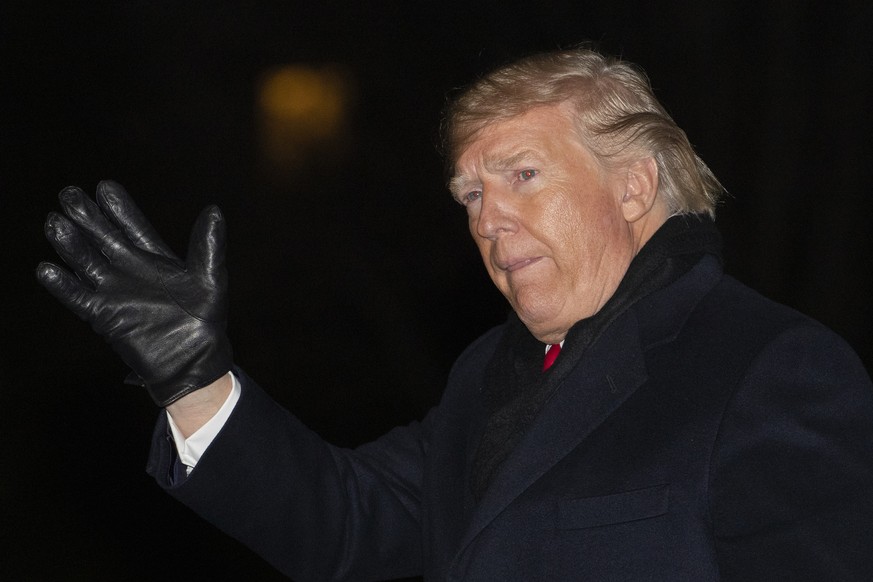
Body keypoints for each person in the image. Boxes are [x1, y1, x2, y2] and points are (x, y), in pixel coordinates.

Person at [37, 48, 873, 581]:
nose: (486, 218)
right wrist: (194, 380)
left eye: (521, 176)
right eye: (470, 193)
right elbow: (343, 522)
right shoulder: (486, 379)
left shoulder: (765, 363)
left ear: (633, 187)